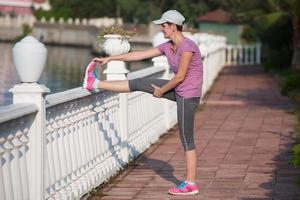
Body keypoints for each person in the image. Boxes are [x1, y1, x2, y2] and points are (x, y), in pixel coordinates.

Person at [83, 10, 203, 196]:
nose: (161, 29)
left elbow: (180, 76)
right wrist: (109, 58)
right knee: (139, 83)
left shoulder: (187, 47)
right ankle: (95, 83)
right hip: (178, 90)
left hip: (188, 96)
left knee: (186, 138)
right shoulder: (167, 46)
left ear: (173, 26)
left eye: (163, 25)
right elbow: (138, 55)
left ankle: (191, 184)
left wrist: (161, 91)